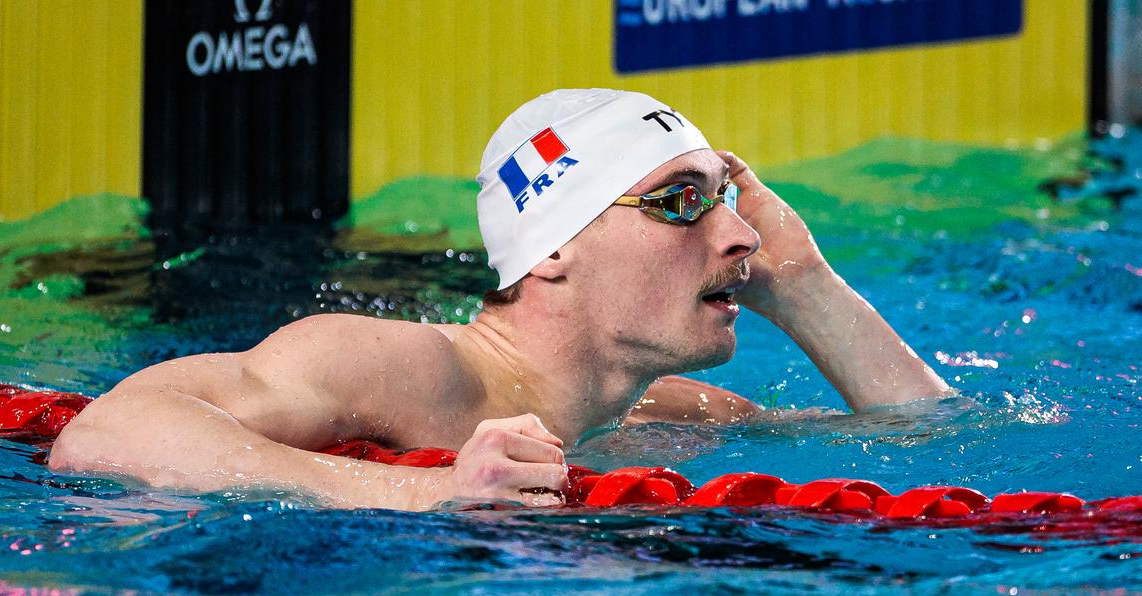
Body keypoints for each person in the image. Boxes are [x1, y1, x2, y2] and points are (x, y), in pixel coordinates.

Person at [48, 89, 951, 510]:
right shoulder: (400, 367)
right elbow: (106, 434)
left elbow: (931, 446)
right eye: (683, 202)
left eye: (728, 196)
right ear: (553, 246)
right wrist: (433, 493)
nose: (737, 233)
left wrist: (806, 292)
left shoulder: (681, 415)